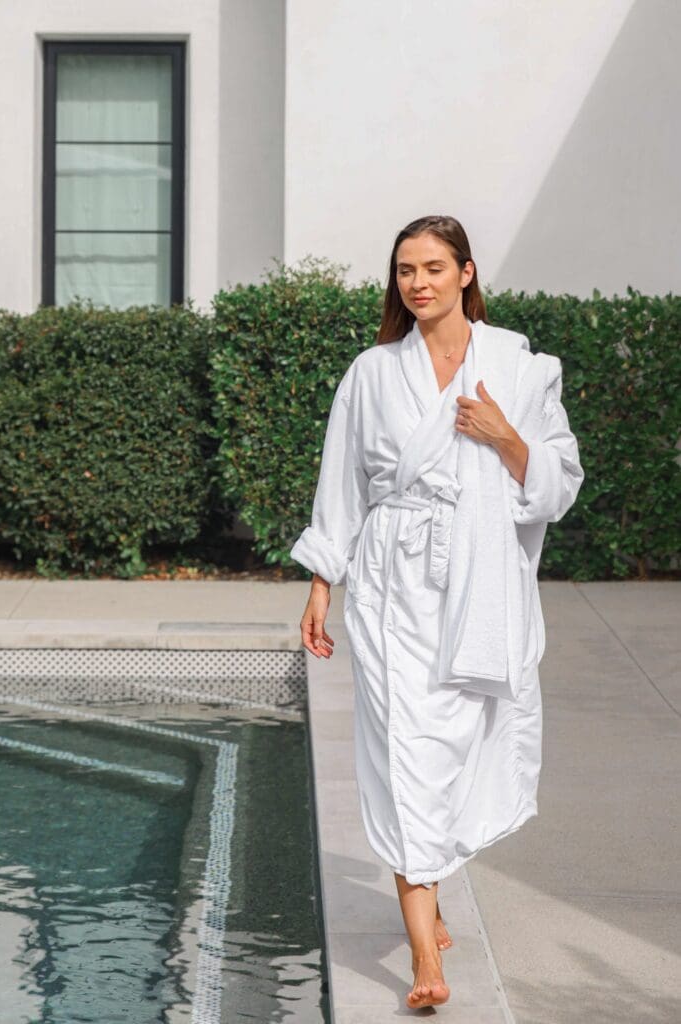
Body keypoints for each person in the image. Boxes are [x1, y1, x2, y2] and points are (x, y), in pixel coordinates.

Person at [289, 214, 585, 1009]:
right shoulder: (373, 373)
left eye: (430, 267)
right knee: (403, 750)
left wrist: (505, 437)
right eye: (404, 271)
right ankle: (426, 959)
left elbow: (559, 484)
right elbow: (341, 482)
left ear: (465, 272)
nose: (416, 283)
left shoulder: (519, 367)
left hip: (477, 579)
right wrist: (324, 581)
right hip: (391, 583)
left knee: (457, 747)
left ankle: (432, 888)